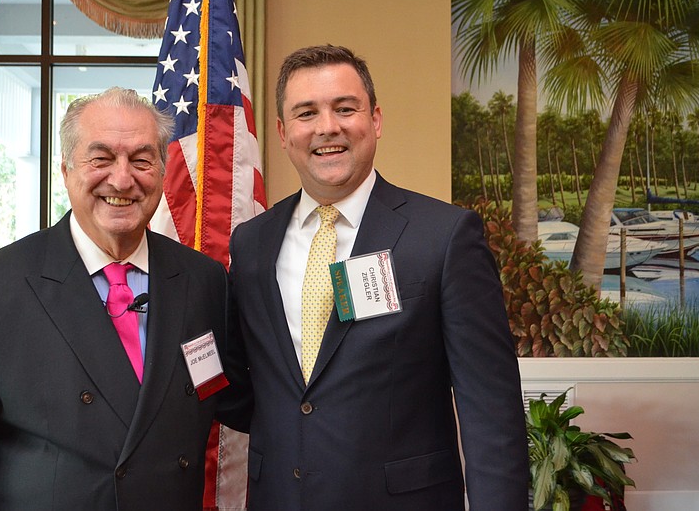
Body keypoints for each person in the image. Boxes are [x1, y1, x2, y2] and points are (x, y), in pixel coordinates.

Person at [227, 45, 529, 510]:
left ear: (376, 121)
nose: (328, 127)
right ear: (284, 134)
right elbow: (256, 389)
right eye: (307, 113)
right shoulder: (251, 244)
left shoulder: (445, 237)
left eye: (345, 108)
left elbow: (492, 413)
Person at [0, 87, 244, 510]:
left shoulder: (204, 280)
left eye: (142, 160)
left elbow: (233, 399)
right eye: (101, 158)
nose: (122, 179)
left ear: (163, 172)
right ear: (66, 169)